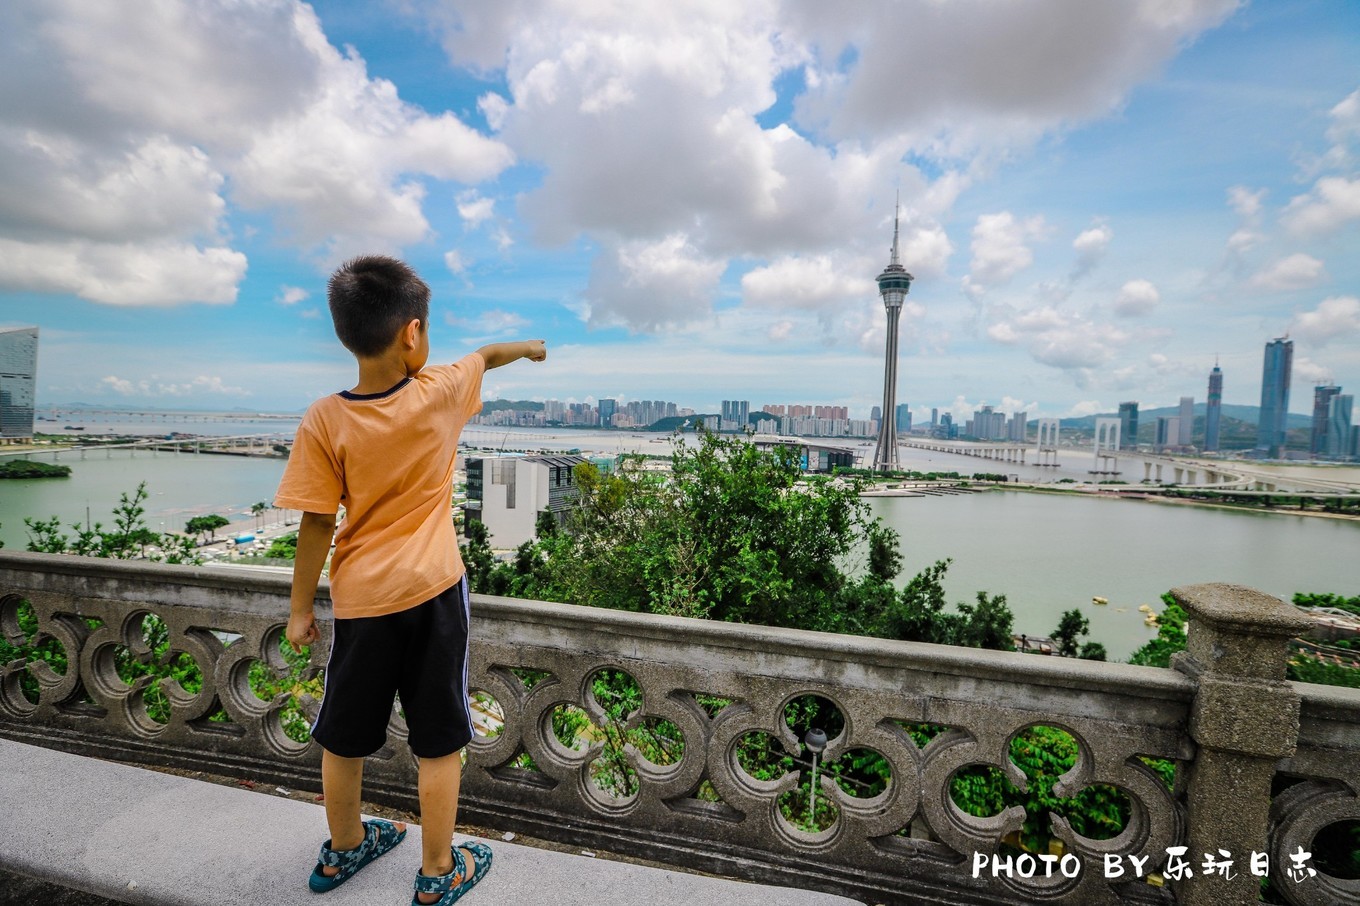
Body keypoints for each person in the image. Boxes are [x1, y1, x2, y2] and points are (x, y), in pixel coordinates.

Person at [275, 255, 546, 905]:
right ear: (413, 334)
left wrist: (298, 610)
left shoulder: (324, 419)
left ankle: (344, 849)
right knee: (438, 740)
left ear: (347, 332)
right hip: (433, 591)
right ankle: (436, 871)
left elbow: (316, 524)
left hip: (363, 598)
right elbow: (487, 355)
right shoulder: (442, 391)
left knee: (344, 734)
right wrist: (533, 348)